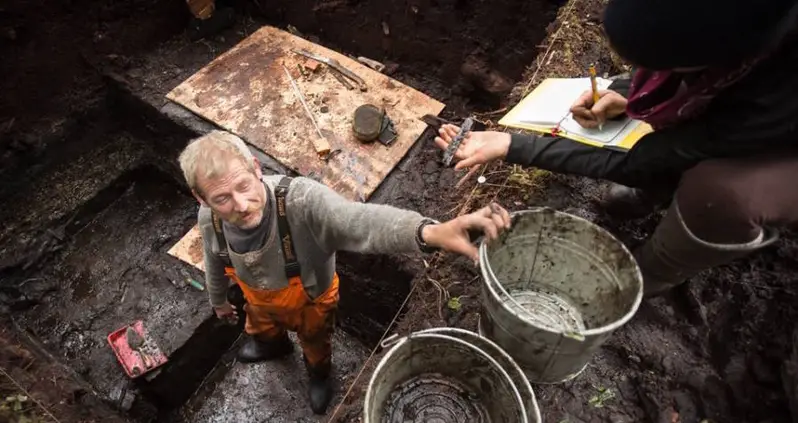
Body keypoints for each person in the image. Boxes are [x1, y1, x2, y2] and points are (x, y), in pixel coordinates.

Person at [434, 0, 798, 296]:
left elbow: (648, 158)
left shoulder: (771, 97)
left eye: (661, 64)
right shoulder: (734, 31)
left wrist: (512, 144)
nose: (644, 70)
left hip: (783, 144)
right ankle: (662, 190)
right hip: (740, 104)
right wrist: (624, 94)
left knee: (720, 193)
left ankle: (656, 271)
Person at [178, 130, 511, 414]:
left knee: (315, 342)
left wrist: (428, 232)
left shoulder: (302, 203)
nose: (240, 205)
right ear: (202, 198)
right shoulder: (209, 220)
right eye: (222, 198)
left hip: (310, 299)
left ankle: (320, 374)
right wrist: (219, 301)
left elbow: (357, 220)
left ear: (255, 167)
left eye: (244, 186)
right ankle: (272, 345)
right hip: (258, 301)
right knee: (260, 327)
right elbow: (214, 260)